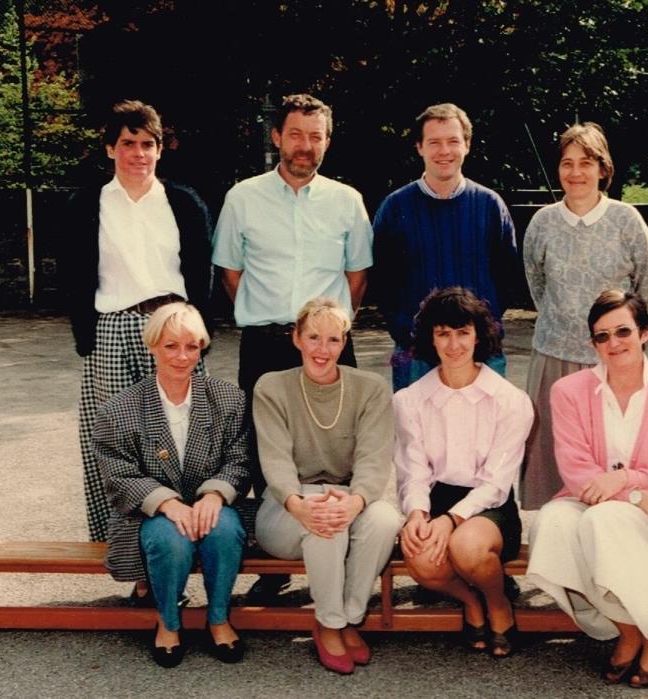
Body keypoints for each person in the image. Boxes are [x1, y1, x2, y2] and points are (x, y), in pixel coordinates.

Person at [212, 93, 372, 601]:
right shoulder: (243, 198)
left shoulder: (347, 201)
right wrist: (272, 319)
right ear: (277, 136)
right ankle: (276, 561)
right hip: (266, 343)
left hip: (328, 342)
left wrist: (326, 330)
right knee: (267, 452)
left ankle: (342, 540)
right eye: (296, 134)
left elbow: (357, 276)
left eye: (315, 136)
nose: (305, 145)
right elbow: (230, 273)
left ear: (328, 141)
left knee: (338, 444)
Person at [59, 100, 213, 586]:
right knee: (119, 446)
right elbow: (72, 272)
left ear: (160, 149)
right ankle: (136, 568)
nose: (138, 153)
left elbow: (201, 270)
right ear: (111, 148)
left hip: (174, 327)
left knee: (182, 441)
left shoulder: (182, 202)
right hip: (113, 328)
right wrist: (87, 334)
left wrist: (197, 333)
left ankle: (179, 560)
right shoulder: (88, 203)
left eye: (148, 144)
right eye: (128, 143)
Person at [527, 289, 648, 688]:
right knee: (552, 524)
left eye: (623, 331)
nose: (614, 343)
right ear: (593, 343)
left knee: (603, 520)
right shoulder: (568, 392)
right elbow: (577, 473)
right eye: (602, 336)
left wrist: (627, 478)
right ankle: (627, 627)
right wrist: (638, 495)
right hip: (599, 504)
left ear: (644, 333)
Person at [95, 302, 250, 668]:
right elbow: (117, 474)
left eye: (191, 346)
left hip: (212, 504)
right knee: (169, 538)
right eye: (171, 346)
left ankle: (218, 618)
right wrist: (167, 503)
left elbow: (240, 458)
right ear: (152, 346)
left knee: (224, 530)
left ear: (202, 348)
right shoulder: (118, 409)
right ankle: (168, 621)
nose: (182, 356)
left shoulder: (229, 398)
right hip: (150, 514)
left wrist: (215, 494)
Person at [253, 298, 401, 674]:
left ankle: (349, 617)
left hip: (348, 499)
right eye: (314, 337)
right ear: (297, 338)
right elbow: (275, 460)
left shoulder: (370, 388)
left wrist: (355, 502)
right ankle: (330, 623)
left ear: (344, 343)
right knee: (323, 519)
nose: (323, 349)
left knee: (384, 519)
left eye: (333, 340)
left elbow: (374, 458)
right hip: (285, 508)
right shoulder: (271, 387)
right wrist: (298, 503)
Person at [521, 122, 648, 510]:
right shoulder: (542, 222)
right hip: (554, 358)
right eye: (567, 163)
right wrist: (564, 321)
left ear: (603, 168)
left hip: (613, 359)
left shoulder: (626, 219)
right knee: (555, 456)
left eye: (586, 162)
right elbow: (536, 284)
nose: (576, 172)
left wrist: (620, 335)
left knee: (612, 454)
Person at [394, 287, 534, 658]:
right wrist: (417, 514)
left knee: (467, 546)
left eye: (463, 333)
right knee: (418, 555)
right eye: (443, 333)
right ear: (431, 339)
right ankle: (471, 601)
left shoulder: (511, 401)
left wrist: (451, 520)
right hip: (435, 498)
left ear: (478, 336)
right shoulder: (410, 400)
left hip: (490, 507)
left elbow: (496, 483)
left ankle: (498, 602)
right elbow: (413, 470)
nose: (454, 345)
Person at [372, 103, 520, 391]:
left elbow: (508, 277)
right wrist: (407, 331)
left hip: (480, 352)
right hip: (415, 355)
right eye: (434, 142)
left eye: (453, 141)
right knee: (416, 423)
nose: (444, 151)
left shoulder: (489, 205)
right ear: (419, 147)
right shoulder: (395, 207)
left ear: (467, 145)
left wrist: (480, 327)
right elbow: (382, 281)